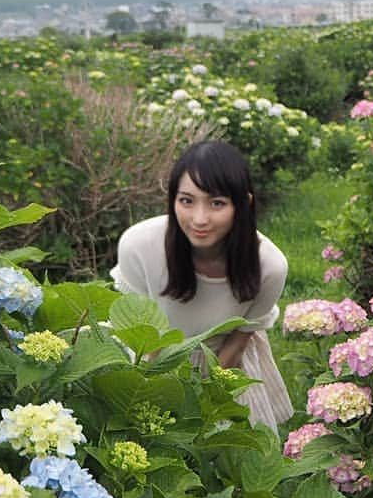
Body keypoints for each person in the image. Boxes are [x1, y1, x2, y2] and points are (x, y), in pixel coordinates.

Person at [111, 140, 294, 429]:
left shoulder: (268, 266)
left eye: (217, 203)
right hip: (146, 357)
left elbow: (237, 342)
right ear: (172, 199)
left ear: (243, 204)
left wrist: (201, 401)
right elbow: (137, 328)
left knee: (225, 458)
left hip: (223, 364)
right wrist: (157, 393)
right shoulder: (139, 246)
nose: (199, 219)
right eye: (187, 201)